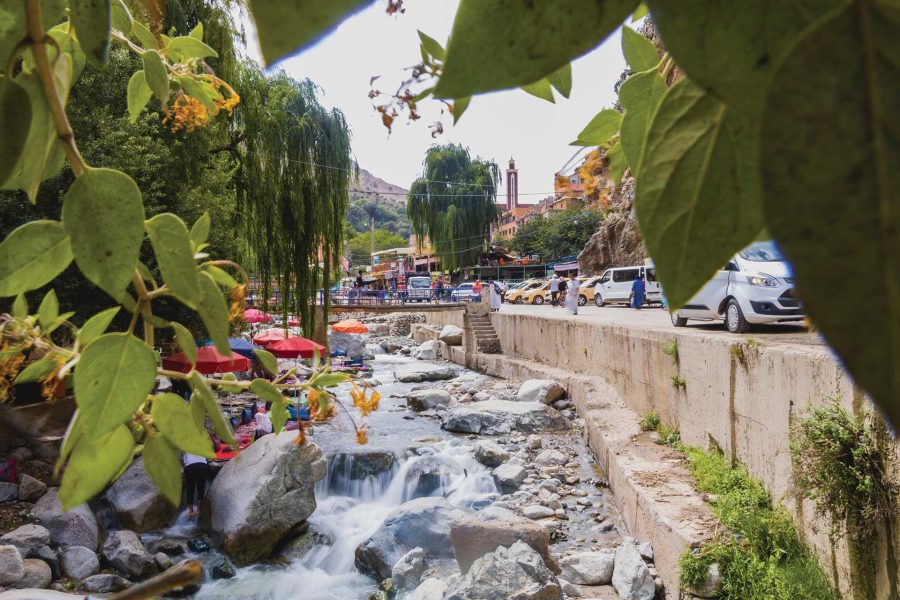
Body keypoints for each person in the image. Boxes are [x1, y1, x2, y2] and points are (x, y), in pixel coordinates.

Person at [183, 452, 209, 518]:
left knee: (190, 488)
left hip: (190, 466)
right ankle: (198, 510)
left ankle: (191, 512)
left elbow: (184, 462)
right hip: (202, 465)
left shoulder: (184, 446)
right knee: (201, 487)